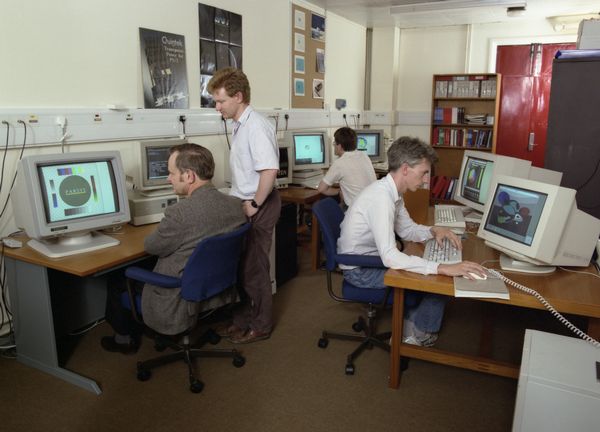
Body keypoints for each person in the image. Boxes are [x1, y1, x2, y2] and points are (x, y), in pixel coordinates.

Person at [337, 136, 487, 346]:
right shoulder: (381, 199)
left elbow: (407, 230)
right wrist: (442, 267)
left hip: (370, 260)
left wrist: (434, 230)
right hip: (361, 270)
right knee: (439, 279)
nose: (426, 180)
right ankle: (418, 334)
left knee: (428, 268)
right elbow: (390, 257)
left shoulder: (392, 192)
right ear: (405, 169)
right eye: (424, 173)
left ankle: (410, 325)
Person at [101, 143, 246, 354]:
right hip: (215, 287)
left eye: (171, 173)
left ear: (188, 176)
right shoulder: (234, 204)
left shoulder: (179, 213)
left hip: (178, 292)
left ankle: (124, 339)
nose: (168, 178)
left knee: (118, 277)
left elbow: (151, 247)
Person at [208, 68, 281, 344]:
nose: (218, 108)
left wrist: (253, 204)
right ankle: (242, 319)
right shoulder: (240, 124)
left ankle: (261, 325)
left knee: (254, 269)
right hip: (246, 201)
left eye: (221, 101)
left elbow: (269, 172)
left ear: (238, 97)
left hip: (259, 203)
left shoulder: (256, 126)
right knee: (241, 266)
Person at [317, 127, 377, 208]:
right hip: (373, 207)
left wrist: (338, 191)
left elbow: (321, 189)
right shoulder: (364, 155)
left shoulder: (339, 163)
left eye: (335, 143)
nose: (334, 145)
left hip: (357, 211)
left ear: (340, 146)